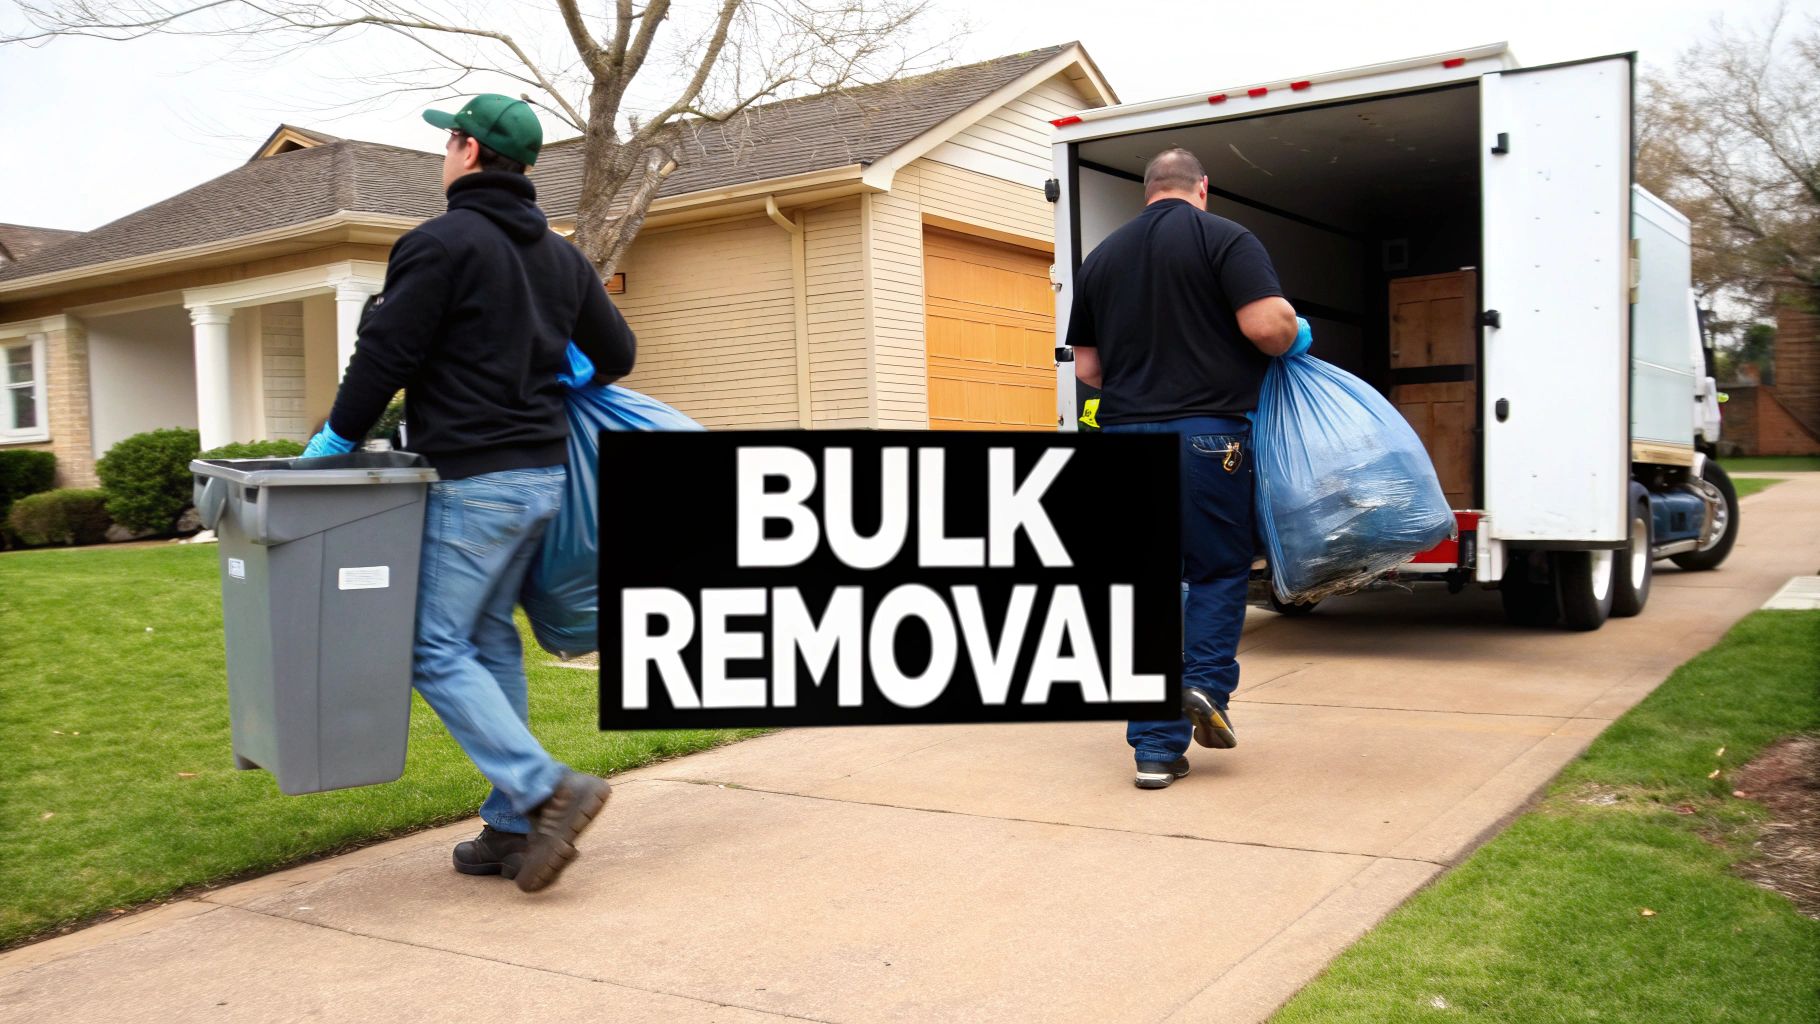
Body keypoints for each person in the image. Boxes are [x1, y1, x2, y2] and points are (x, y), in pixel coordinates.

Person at [301, 94, 637, 889]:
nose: (442, 153)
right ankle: (514, 827)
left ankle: (547, 789)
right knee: (485, 641)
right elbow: (616, 351)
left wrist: (332, 444)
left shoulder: (440, 243)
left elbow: (386, 356)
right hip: (543, 481)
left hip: (473, 484)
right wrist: (558, 366)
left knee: (430, 647)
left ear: (467, 151)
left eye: (446, 141)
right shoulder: (559, 257)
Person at [1064, 147, 1311, 790]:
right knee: (1219, 569)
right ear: (1203, 187)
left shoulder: (1101, 259)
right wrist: (1293, 331)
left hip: (1122, 437)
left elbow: (1088, 371)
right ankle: (1202, 684)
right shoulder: (1226, 239)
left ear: (1147, 191)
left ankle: (1153, 752)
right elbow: (1265, 326)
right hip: (1207, 437)